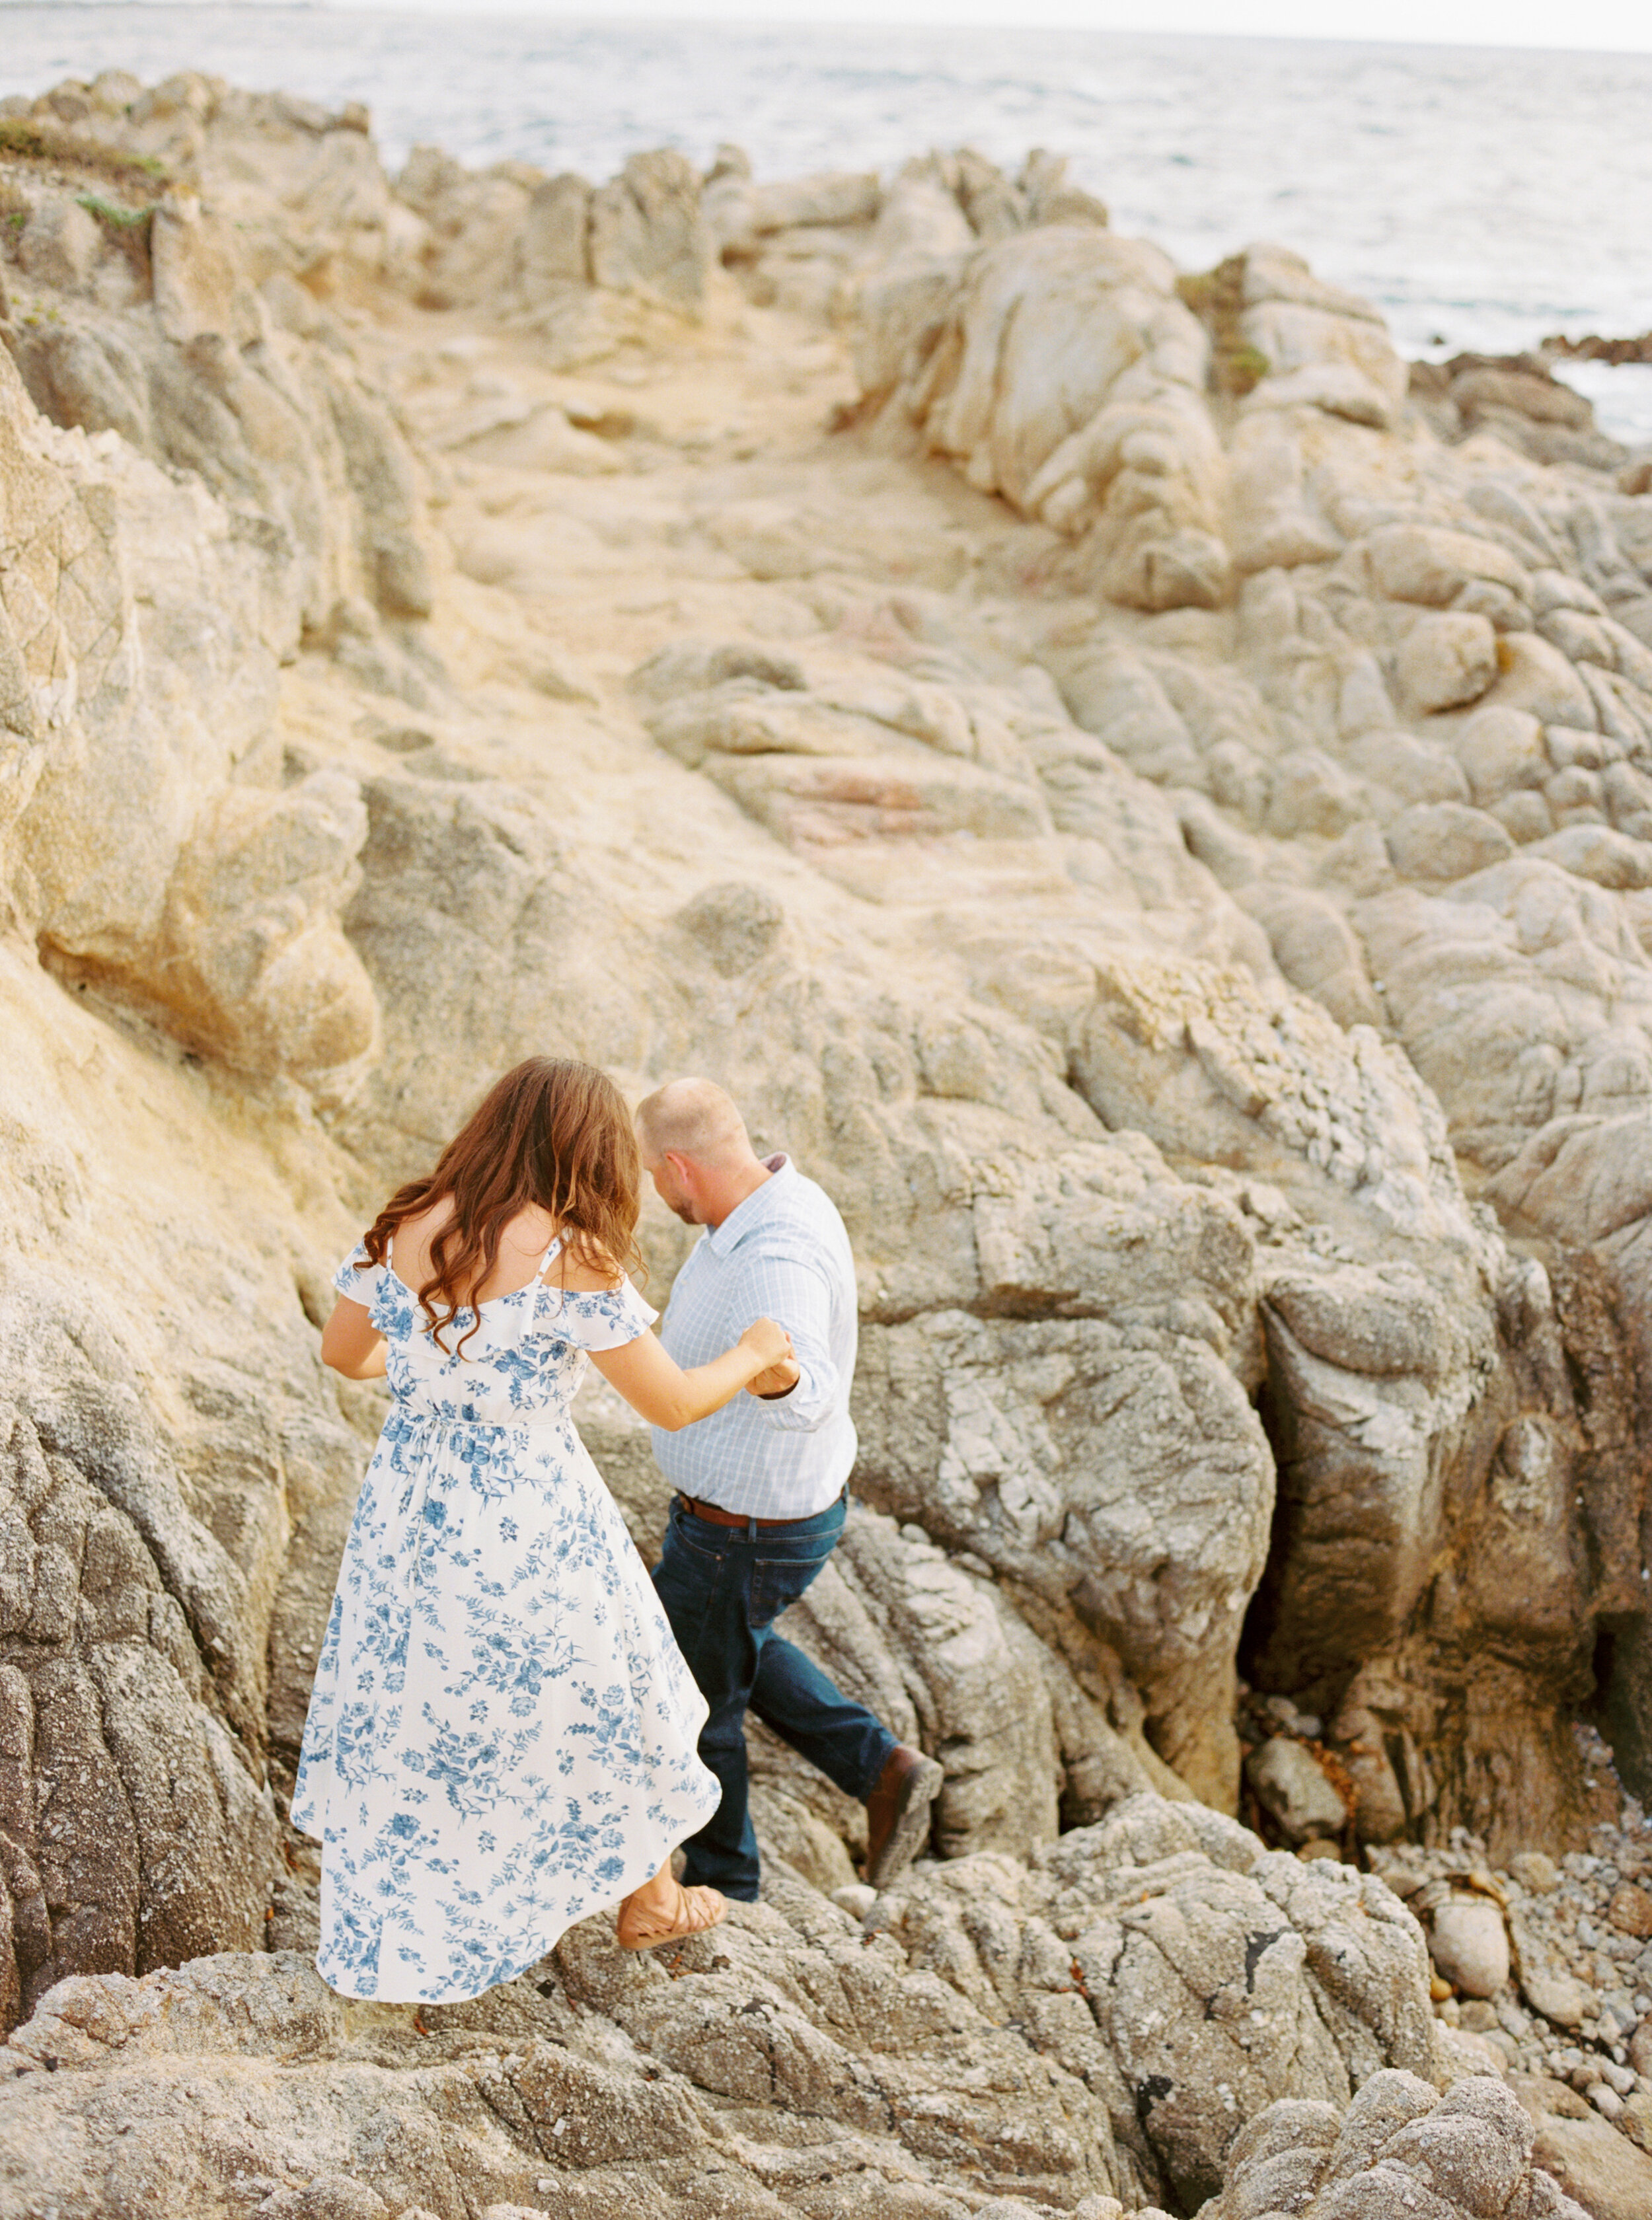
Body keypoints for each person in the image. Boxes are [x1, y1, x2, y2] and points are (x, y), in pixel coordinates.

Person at [292, 1056, 796, 2004]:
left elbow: (343, 1353)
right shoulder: (569, 1253)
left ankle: (422, 1922)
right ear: (586, 1151)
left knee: (421, 1707)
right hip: (528, 1509)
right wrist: (760, 1350)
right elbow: (674, 1403)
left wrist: (436, 1382)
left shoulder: (404, 1224)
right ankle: (647, 1894)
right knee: (615, 1687)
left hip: (412, 1505)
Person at [635, 1077, 944, 1903]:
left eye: (651, 1177)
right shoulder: (770, 1202)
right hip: (756, 1518)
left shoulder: (775, 1252)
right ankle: (883, 1768)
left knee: (699, 1699)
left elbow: (807, 1395)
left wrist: (769, 1374)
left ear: (678, 1166)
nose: (653, 1193)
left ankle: (727, 1885)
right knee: (725, 1641)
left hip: (744, 1526)